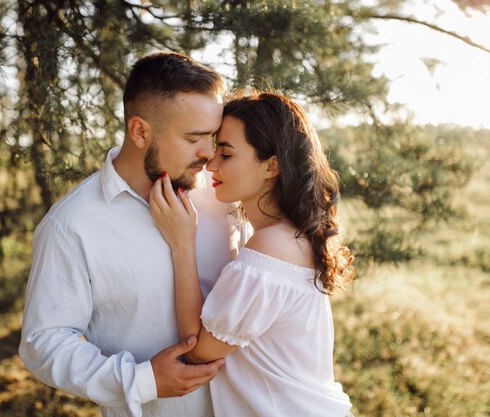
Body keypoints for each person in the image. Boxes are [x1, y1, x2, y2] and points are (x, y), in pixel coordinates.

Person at [19, 52, 244, 417]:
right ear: (140, 131)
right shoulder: (71, 225)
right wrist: (142, 381)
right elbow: (43, 342)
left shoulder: (225, 194)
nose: (209, 154)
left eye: (213, 137)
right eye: (194, 138)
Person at [149, 92, 354, 416]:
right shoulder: (291, 236)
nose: (211, 164)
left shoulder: (271, 247)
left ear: (272, 165)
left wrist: (182, 243)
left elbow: (198, 350)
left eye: (226, 154)